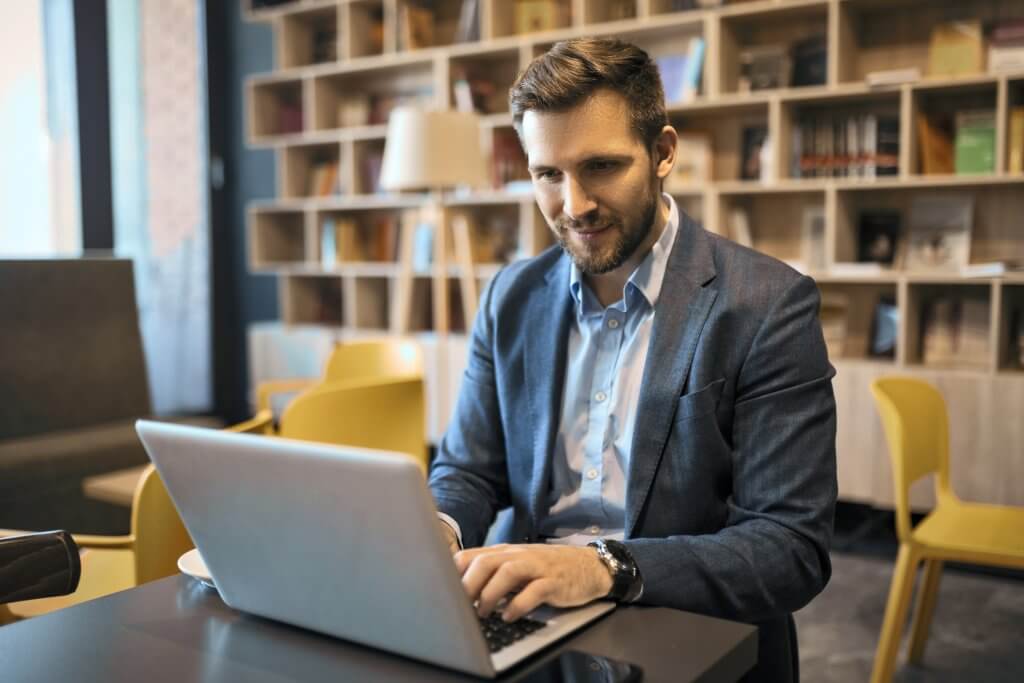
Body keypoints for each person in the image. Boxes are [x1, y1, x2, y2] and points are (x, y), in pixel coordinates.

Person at [428, 37, 837, 683]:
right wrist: (440, 532)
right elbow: (468, 468)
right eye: (548, 174)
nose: (574, 205)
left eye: (601, 167)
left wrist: (601, 566)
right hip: (531, 619)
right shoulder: (511, 296)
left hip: (680, 623)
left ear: (663, 152)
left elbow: (790, 548)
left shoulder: (767, 306)